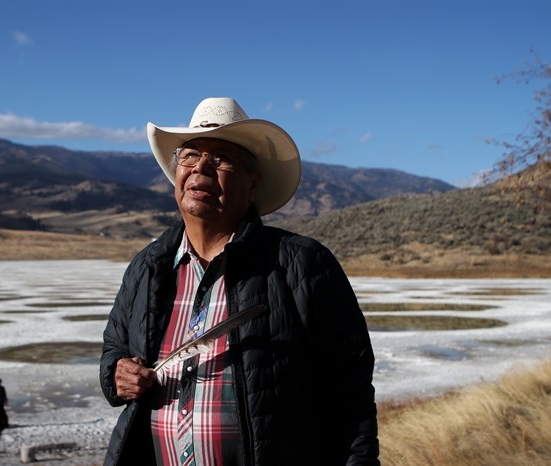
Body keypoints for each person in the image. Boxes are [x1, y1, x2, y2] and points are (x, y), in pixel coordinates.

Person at [99, 97, 380, 465]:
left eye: (220, 159)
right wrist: (117, 374)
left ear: (253, 182)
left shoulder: (302, 265)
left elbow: (350, 395)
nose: (201, 167)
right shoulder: (147, 267)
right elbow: (114, 349)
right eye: (190, 155)